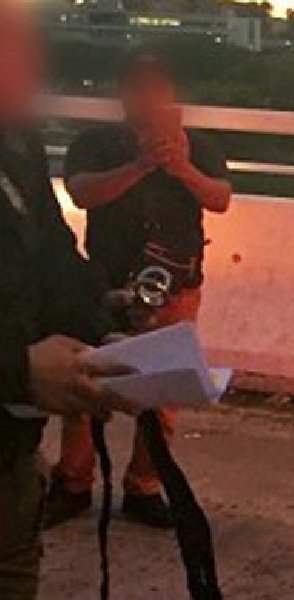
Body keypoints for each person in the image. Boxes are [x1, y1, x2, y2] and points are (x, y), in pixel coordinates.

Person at [47, 52, 232, 531]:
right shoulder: (94, 143)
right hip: (103, 282)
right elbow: (82, 192)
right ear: (123, 94)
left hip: (175, 284)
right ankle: (72, 482)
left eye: (157, 88)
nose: (148, 97)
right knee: (87, 385)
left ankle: (145, 486)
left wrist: (181, 167)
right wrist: (140, 165)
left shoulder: (199, 145)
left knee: (163, 389)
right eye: (138, 87)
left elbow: (220, 199)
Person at [0, 1, 136, 597]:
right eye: (13, 43)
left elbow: (55, 258)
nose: (36, 63)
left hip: (10, 463)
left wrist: (106, 334)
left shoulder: (17, 144)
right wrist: (19, 369)